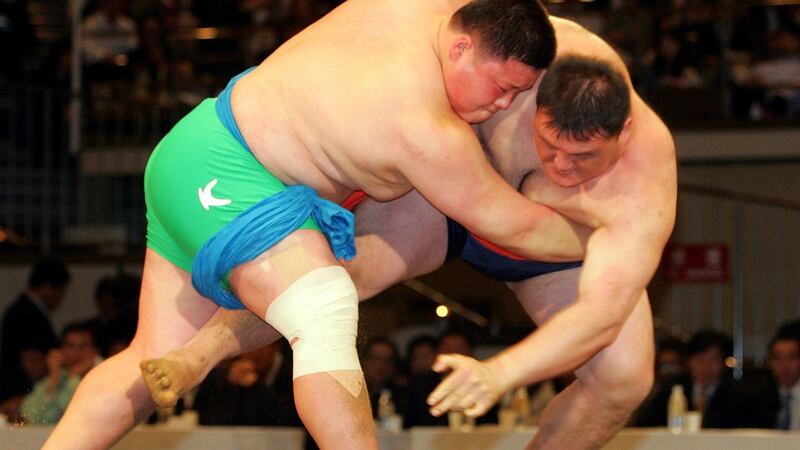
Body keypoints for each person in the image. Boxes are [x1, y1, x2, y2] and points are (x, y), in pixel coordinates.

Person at [44, 1, 582, 449]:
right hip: (227, 171)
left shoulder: (417, 10)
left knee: (146, 357)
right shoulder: (425, 130)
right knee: (324, 306)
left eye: (520, 93)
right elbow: (517, 229)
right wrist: (608, 238)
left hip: (201, 145)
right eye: (501, 87)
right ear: (463, 48)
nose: (504, 105)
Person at [132, 15, 677, 450]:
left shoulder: (643, 187)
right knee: (334, 280)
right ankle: (198, 354)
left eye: (583, 159)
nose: (560, 167)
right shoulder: (526, 53)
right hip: (447, 197)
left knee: (625, 378)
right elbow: (435, 37)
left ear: (623, 132)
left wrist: (499, 374)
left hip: (558, 251)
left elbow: (601, 315)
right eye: (548, 144)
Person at [635, 330, 759, 429]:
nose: (706, 367)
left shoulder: (740, 397)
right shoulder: (670, 390)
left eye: (713, 360)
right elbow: (646, 425)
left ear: (723, 363)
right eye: (700, 360)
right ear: (688, 362)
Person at [0, 257, 70, 409]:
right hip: (21, 393)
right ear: (48, 287)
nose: (61, 299)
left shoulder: (22, 310)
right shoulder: (28, 314)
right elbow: (32, 364)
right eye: (61, 292)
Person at [20, 322, 100, 424]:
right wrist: (54, 380)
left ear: (95, 350)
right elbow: (31, 416)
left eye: (83, 346)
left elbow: (82, 415)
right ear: (62, 350)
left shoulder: (106, 374)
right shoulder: (60, 375)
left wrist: (73, 378)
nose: (76, 352)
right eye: (71, 346)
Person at [756, 328, 800, 430]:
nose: (785, 365)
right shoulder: (761, 396)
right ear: (770, 362)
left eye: (792, 357)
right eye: (778, 358)